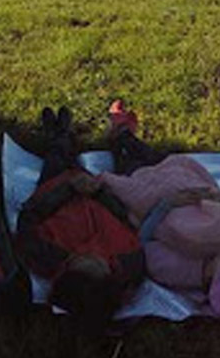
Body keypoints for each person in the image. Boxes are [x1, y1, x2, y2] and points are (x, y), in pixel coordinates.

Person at [98, 99, 220, 321]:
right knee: (147, 154)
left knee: (129, 162)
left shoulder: (177, 269)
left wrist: (166, 205)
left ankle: (120, 132)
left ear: (209, 280)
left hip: (149, 190)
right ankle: (125, 133)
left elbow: (142, 242)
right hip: (182, 176)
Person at [15, 106, 144, 330]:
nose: (92, 255)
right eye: (99, 264)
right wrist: (98, 193)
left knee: (56, 159)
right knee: (99, 167)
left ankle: (59, 134)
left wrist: (67, 189)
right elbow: (123, 216)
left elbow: (30, 215)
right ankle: (71, 136)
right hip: (93, 189)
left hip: (55, 188)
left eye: (82, 260)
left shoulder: (44, 254)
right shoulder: (130, 261)